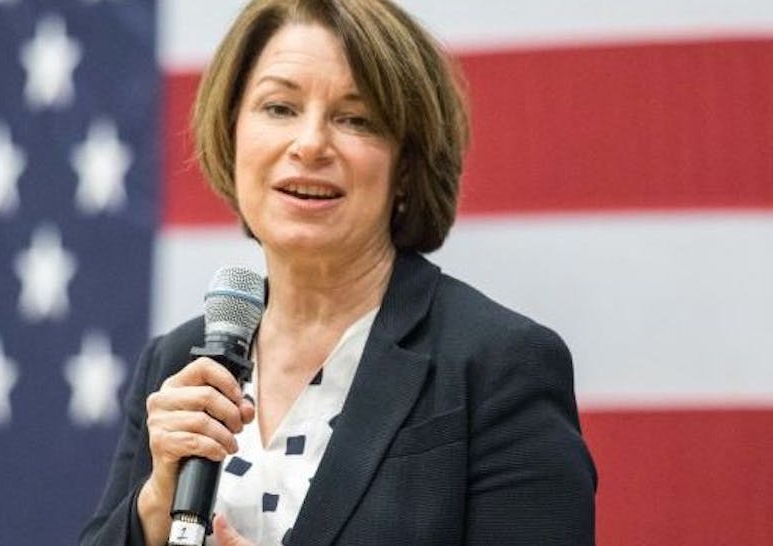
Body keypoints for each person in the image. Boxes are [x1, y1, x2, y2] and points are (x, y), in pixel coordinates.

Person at [80, 0, 597, 544]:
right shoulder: (176, 360)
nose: (309, 145)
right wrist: (156, 503)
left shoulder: (498, 365)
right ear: (232, 134)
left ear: (406, 165)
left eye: (355, 118)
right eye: (279, 107)